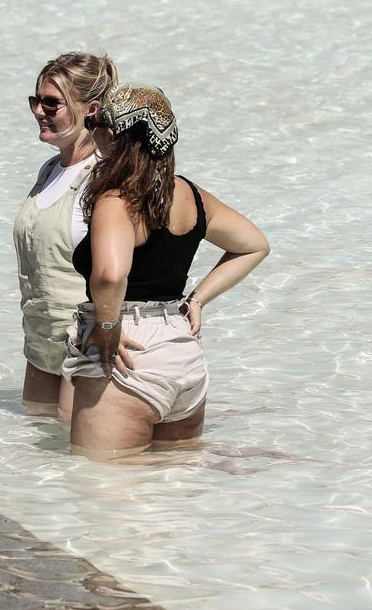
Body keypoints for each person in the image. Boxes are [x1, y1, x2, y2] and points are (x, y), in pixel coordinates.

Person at [63, 84, 269, 461]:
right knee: (172, 495)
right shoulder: (190, 194)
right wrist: (197, 300)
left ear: (112, 135)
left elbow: (110, 275)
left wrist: (107, 328)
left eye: (94, 125)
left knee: (100, 498)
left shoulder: (116, 199)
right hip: (182, 351)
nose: (92, 134)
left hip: (129, 352)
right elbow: (253, 244)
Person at [13, 52, 116, 414]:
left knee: (82, 461)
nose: (39, 111)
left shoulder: (104, 175)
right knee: (39, 449)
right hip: (40, 341)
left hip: (86, 345)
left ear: (90, 108)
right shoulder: (49, 169)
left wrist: (110, 326)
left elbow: (126, 266)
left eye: (51, 103)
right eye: (36, 101)